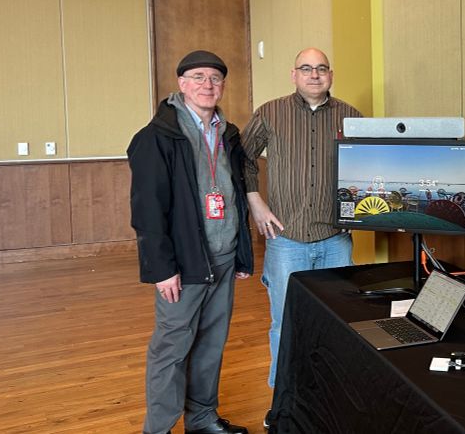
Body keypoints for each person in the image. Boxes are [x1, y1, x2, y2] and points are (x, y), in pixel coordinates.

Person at [128, 50, 253, 434]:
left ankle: (201, 419)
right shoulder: (157, 138)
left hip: (224, 256)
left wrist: (242, 255)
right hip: (183, 263)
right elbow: (147, 211)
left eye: (214, 78)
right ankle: (159, 429)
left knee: (211, 345)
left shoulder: (228, 134)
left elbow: (237, 192)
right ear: (181, 84)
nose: (207, 85)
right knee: (172, 349)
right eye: (198, 77)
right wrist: (162, 269)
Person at [241, 48, 362, 394]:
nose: (314, 74)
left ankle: (329, 395)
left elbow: (369, 166)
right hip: (286, 238)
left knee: (336, 322)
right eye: (306, 68)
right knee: (285, 323)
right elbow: (243, 158)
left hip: (335, 239)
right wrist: (256, 203)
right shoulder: (270, 112)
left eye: (321, 68)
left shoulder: (351, 117)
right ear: (293, 75)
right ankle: (283, 397)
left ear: (331, 75)